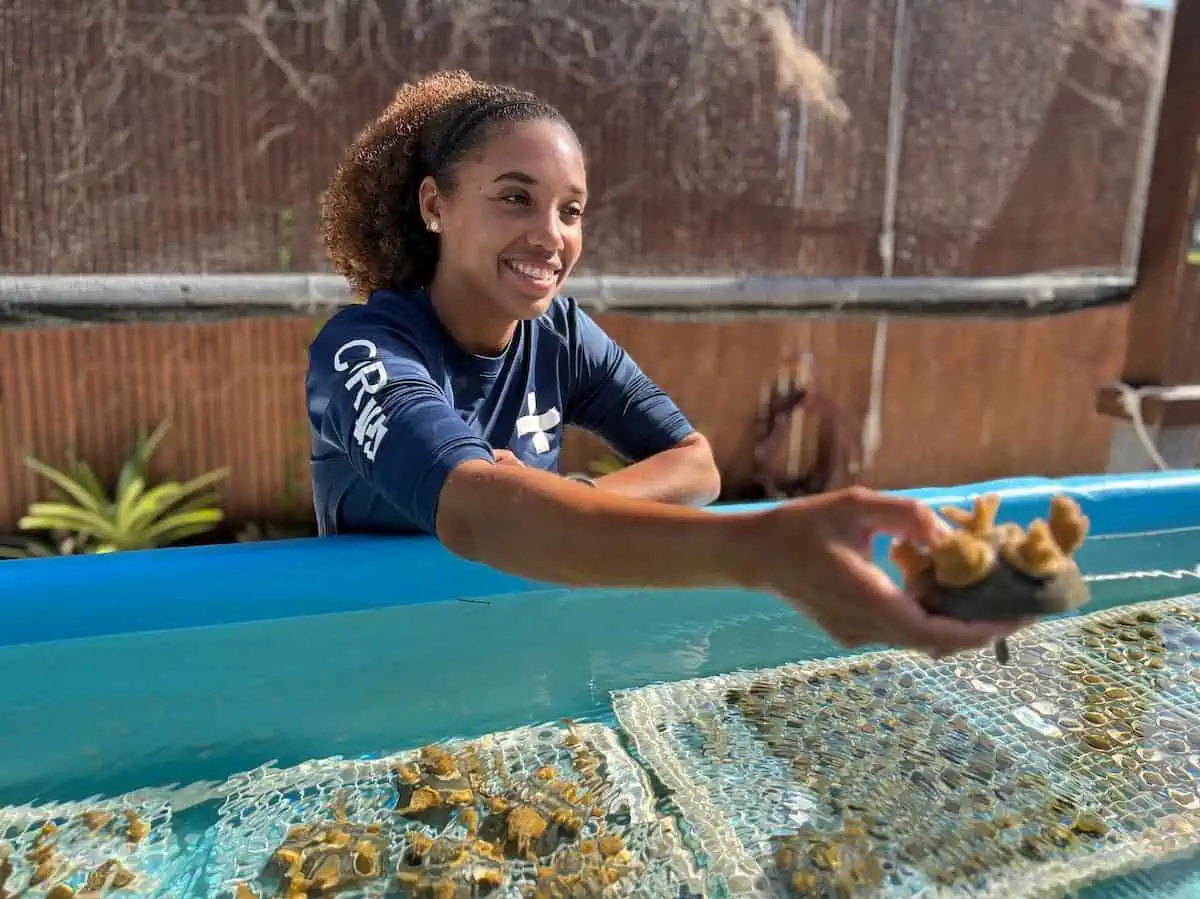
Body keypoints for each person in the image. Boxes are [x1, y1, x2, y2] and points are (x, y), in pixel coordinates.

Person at [307, 70, 1022, 658]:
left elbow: (695, 464)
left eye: (572, 210)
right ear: (436, 204)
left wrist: (577, 498)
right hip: (384, 661)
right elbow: (475, 514)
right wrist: (761, 551)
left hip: (524, 642)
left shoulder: (558, 333)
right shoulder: (362, 351)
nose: (550, 236)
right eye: (515, 198)